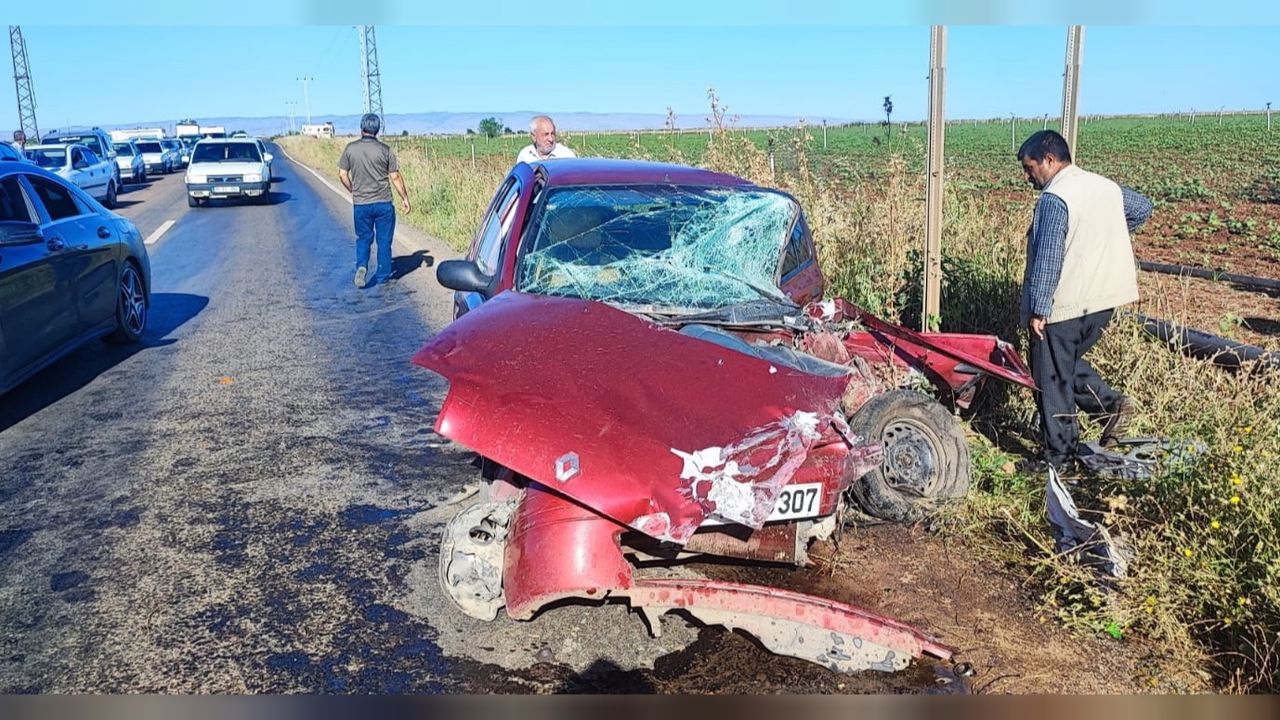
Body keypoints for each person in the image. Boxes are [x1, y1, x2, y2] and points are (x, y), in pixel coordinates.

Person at [1015, 129, 1152, 473]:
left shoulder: (1055, 198)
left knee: (1050, 377)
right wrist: (1098, 234)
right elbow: (1143, 209)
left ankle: (1058, 459)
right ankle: (1111, 406)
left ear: (1049, 160)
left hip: (1066, 304)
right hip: (1105, 301)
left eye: (1030, 168)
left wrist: (1038, 309)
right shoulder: (1104, 186)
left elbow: (1047, 260)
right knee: (1064, 364)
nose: (1028, 177)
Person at [338, 113, 411, 288]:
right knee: (384, 241)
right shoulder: (385, 150)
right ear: (377, 130)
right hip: (384, 203)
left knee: (363, 238)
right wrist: (405, 197)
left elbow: (342, 174)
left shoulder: (350, 149)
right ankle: (383, 276)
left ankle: (362, 266)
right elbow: (395, 177)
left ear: (361, 128)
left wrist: (353, 190)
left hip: (361, 204)